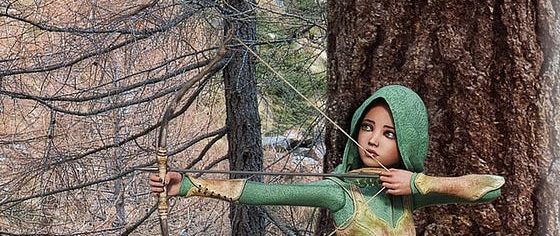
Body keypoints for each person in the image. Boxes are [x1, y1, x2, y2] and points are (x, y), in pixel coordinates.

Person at [148, 85, 502, 235]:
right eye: (367, 127)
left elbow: (490, 189)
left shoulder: (408, 194)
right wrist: (190, 186)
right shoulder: (341, 193)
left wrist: (418, 183)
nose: (373, 139)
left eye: (389, 133)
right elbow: (265, 194)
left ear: (408, 143)